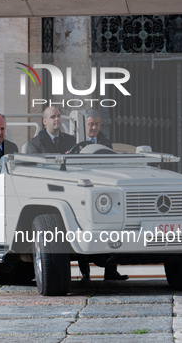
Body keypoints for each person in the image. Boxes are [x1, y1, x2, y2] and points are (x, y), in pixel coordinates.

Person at [78, 110, 128, 282]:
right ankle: (85, 274)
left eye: (97, 124)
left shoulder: (106, 142)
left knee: (112, 230)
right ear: (85, 125)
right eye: (91, 124)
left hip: (104, 189)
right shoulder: (77, 141)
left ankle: (111, 272)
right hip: (85, 188)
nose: (94, 128)